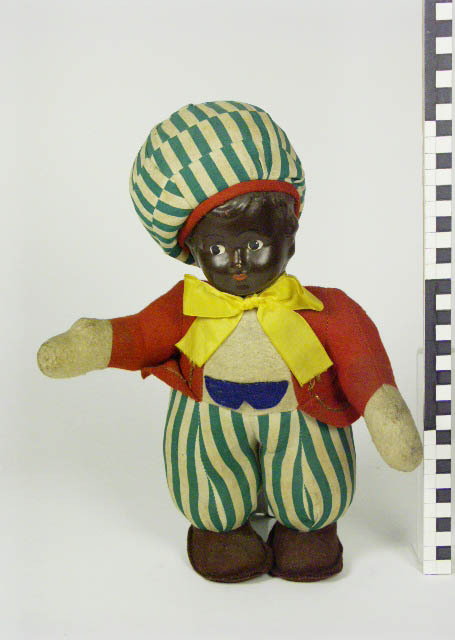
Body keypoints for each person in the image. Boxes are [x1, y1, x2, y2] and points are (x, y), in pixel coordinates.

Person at [38, 101, 422, 583]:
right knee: (207, 467)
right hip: (210, 414)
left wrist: (384, 411)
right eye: (218, 249)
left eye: (255, 244)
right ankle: (220, 530)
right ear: (194, 251)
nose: (237, 264)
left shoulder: (324, 309)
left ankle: (307, 527)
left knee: (311, 468)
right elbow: (140, 334)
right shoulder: (186, 306)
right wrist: (93, 343)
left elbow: (361, 360)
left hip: (300, 414)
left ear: (290, 237)